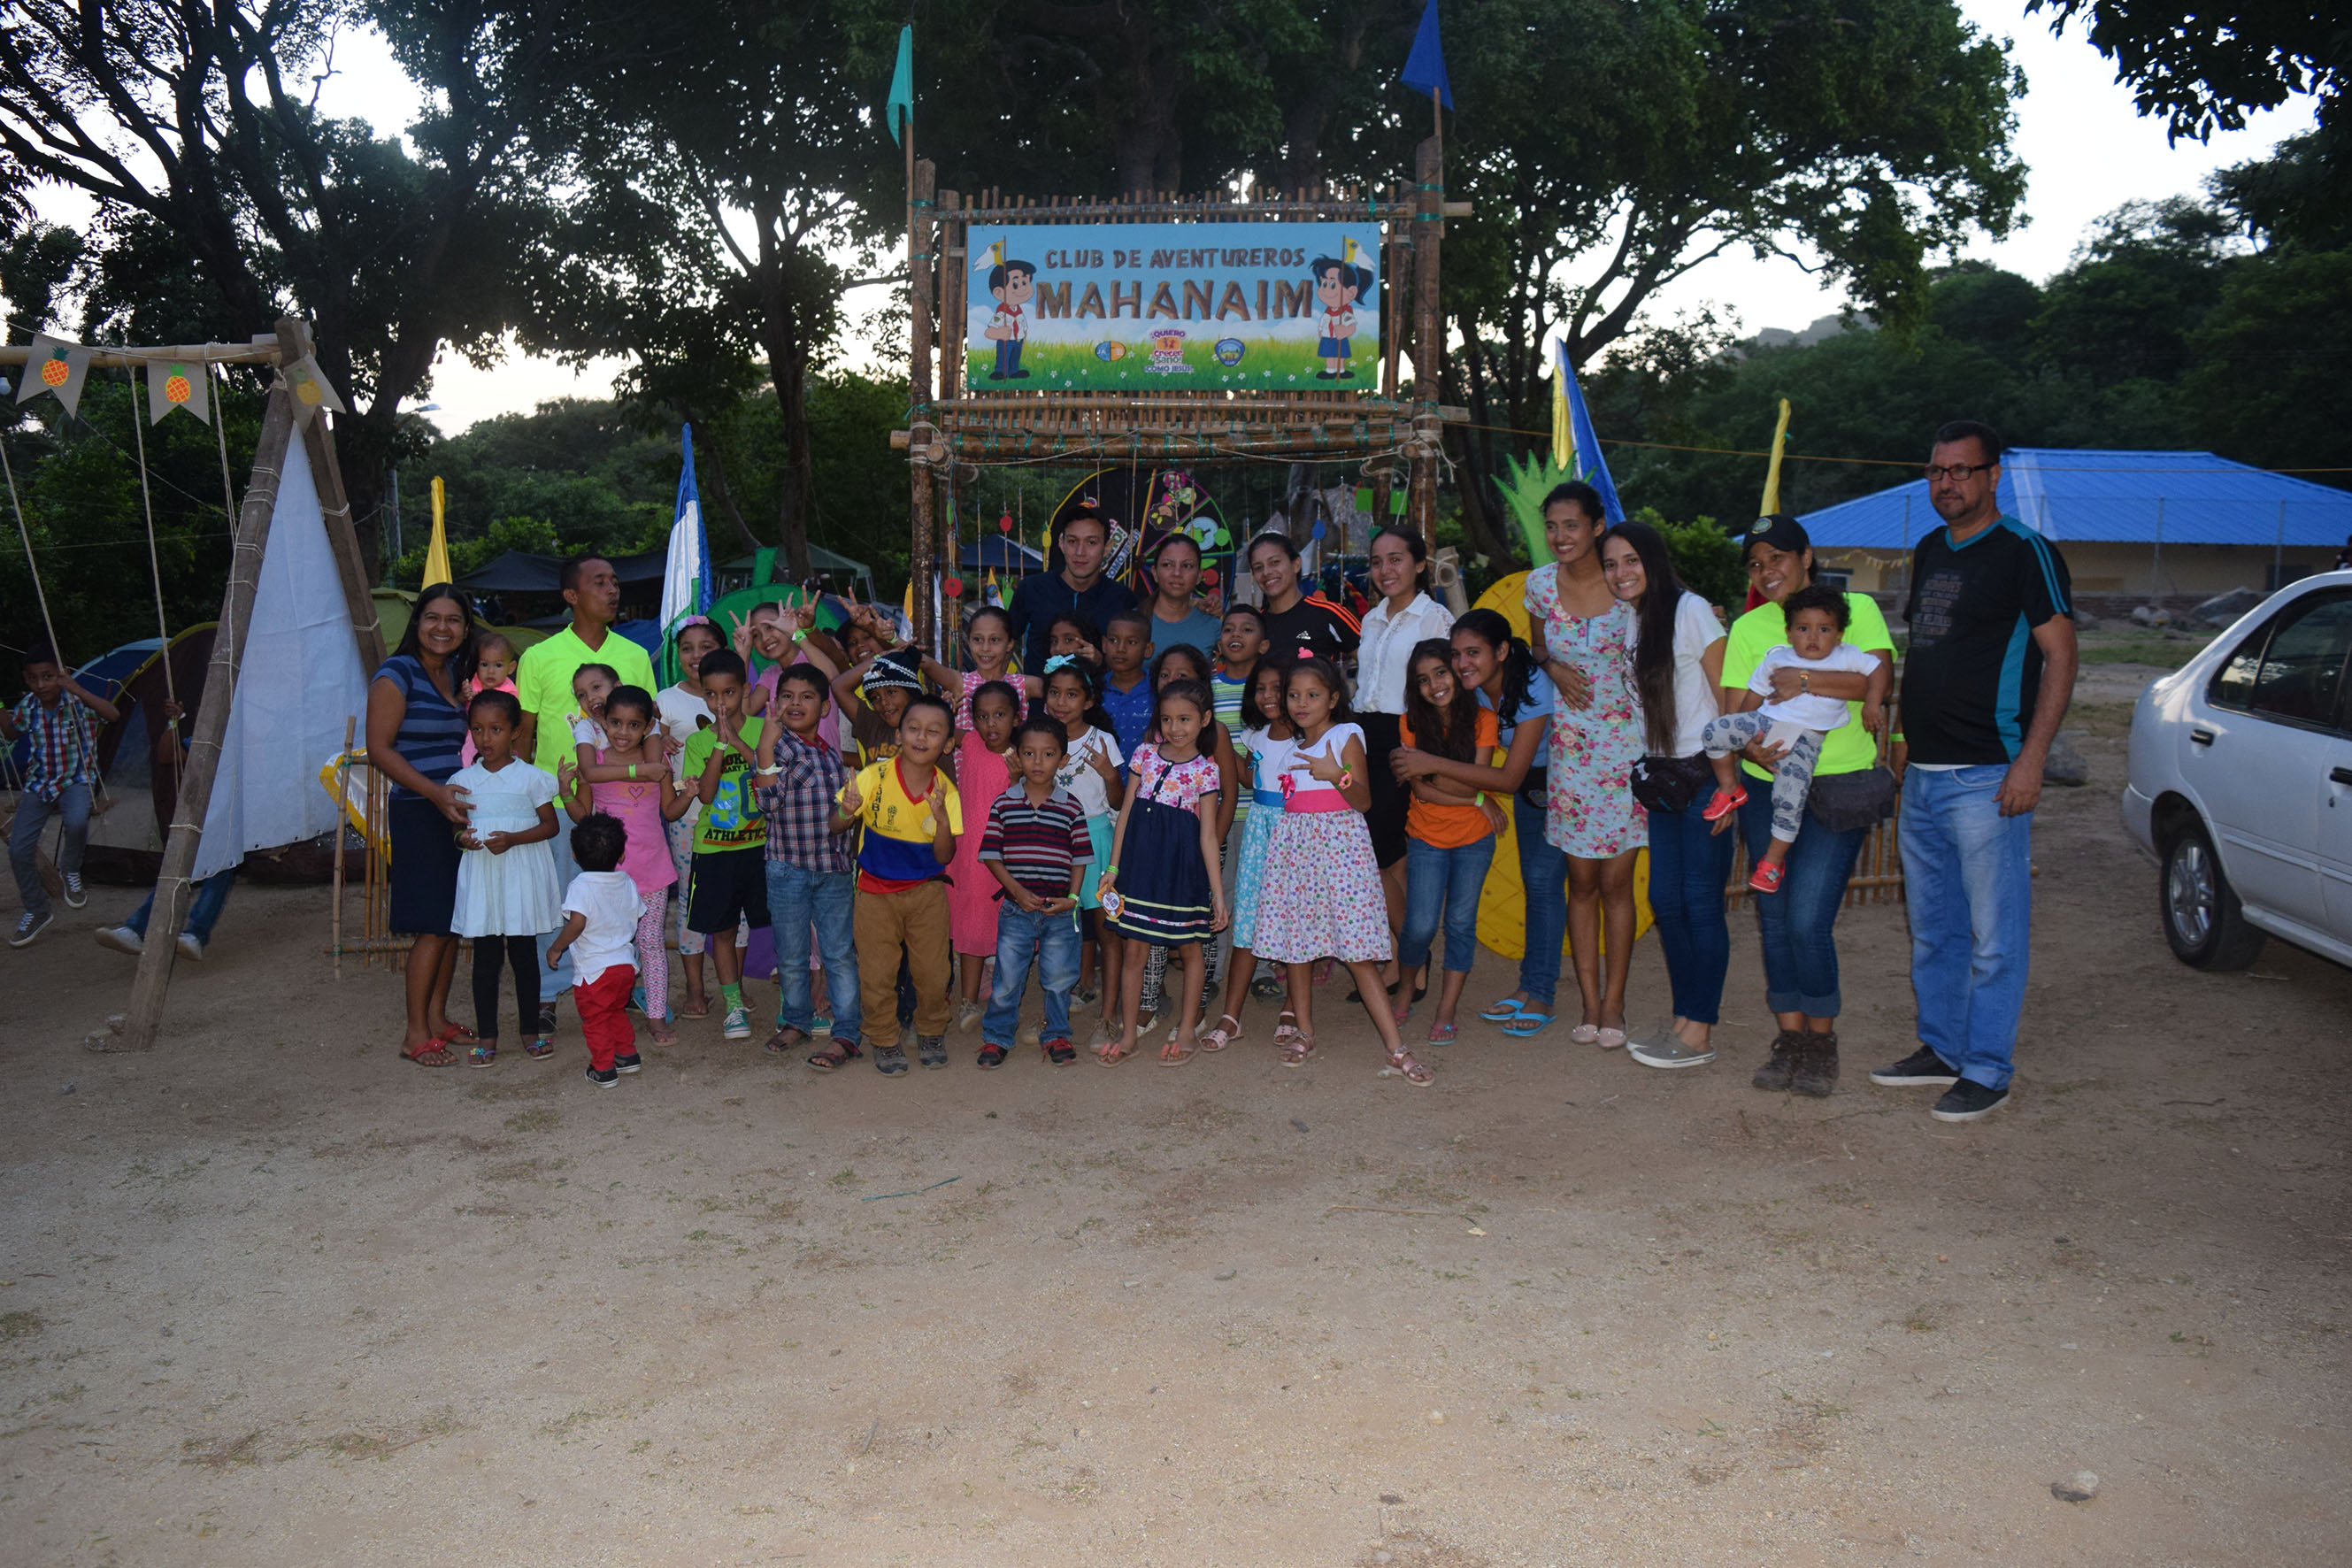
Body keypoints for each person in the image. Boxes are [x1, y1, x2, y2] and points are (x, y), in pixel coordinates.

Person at [1872, 419, 2077, 1123]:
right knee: (1934, 928)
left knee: (1994, 937)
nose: (1946, 483)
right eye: (1936, 471)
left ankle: (1987, 1068)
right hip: (1926, 776)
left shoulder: (2025, 552)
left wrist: (2031, 759)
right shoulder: (1931, 549)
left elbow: (2061, 657)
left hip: (1987, 776)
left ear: (1993, 476)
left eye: (1961, 470)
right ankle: (1943, 1047)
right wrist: (1905, 737)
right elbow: (1926, 651)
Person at [1721, 512, 1897, 1099]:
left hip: (1839, 785)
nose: (1767, 571)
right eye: (1756, 563)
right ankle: (1789, 1037)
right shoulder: (1749, 627)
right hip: (1766, 784)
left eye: (1778, 557)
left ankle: (1821, 1041)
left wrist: (1798, 681)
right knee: (1774, 920)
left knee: (1807, 919)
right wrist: (1750, 745)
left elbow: (1874, 683)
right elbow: (1736, 704)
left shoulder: (1856, 608)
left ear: (1806, 556)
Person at [1249, 657, 1425, 1083]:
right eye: (1294, 695)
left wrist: (1335, 775)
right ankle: (1305, 1032)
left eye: (1312, 695)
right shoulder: (1289, 746)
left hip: (1342, 855)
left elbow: (1363, 801)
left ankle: (1396, 1047)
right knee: (1298, 949)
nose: (1301, 703)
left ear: (1332, 699)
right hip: (1296, 855)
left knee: (1358, 953)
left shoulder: (1346, 735)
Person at [1601, 521, 1733, 1072]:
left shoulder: (1691, 611)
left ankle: (1699, 1031)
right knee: (1666, 901)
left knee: (1700, 903)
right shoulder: (1633, 619)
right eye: (1611, 564)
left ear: (1653, 560)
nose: (1620, 573)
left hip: (1704, 774)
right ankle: (1685, 1018)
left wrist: (1729, 782)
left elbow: (1727, 697)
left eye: (1631, 560)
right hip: (1661, 779)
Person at [1392, 611, 1555, 1033]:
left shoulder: (1522, 691)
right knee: (1423, 924)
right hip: (1471, 814)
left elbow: (1502, 778)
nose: (1462, 664)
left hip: (1563, 782)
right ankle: (1528, 987)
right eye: (1457, 654)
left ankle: (1533, 992)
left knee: (1538, 891)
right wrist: (1475, 795)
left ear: (1500, 652)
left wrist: (1429, 765)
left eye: (1472, 653)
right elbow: (1430, 784)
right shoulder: (1471, 693)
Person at [515, 554, 657, 1034]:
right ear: (571, 596)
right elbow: (524, 732)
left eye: (615, 581)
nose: (612, 590)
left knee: (620, 897)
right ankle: (549, 993)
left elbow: (650, 725)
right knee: (557, 897)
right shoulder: (539, 657)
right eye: (600, 582)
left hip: (622, 805)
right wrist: (523, 796)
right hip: (561, 802)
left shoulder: (634, 655)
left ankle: (622, 983)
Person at [1526, 481, 1646, 1049]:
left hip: (1628, 751)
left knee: (1616, 883)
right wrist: (1552, 667)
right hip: (1572, 755)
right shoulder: (1539, 586)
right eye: (1552, 526)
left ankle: (1615, 1003)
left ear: (1597, 526)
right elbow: (1537, 649)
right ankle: (1589, 1003)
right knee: (1580, 883)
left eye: (1571, 525)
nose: (1560, 536)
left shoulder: (1629, 584)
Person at [1702, 584, 1889, 893]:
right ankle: (1729, 789)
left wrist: (1872, 703)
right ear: (1789, 633)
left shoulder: (1847, 656)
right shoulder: (1777, 659)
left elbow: (1878, 672)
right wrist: (1744, 734)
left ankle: (1772, 862)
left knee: (1789, 799)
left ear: (1839, 635)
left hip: (1804, 741)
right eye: (1803, 629)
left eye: (1824, 629)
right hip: (1766, 723)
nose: (1813, 637)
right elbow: (1753, 696)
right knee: (1714, 731)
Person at [365, 585, 480, 1064]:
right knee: (432, 925)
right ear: (417, 623)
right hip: (418, 808)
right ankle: (415, 1034)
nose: (442, 627)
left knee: (449, 921)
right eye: (432, 617)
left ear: (465, 630)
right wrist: (434, 793)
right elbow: (379, 749)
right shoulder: (397, 673)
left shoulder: (452, 674)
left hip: (450, 811)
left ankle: (437, 1018)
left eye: (453, 620)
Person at [1095, 679, 1228, 1065]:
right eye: (1167, 719)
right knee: (1134, 950)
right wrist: (1113, 868)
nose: (1175, 728)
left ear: (1205, 719)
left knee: (1190, 948)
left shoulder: (1207, 771)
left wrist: (1218, 894)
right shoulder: (1144, 755)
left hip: (1182, 872)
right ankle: (1129, 1035)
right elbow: (1125, 815)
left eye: (1185, 719)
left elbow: (1208, 835)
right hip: (1139, 867)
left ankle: (1187, 1031)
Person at [835, 694, 962, 1076]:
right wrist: (847, 811)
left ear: (947, 744)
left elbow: (945, 855)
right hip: (874, 893)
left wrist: (942, 821)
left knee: (933, 972)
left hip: (926, 893)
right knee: (877, 973)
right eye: (913, 729)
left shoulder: (946, 792)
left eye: (933, 732)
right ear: (898, 734)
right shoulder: (873, 777)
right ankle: (884, 1037)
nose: (921, 738)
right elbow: (835, 824)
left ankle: (931, 1030)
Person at [1353, 527, 1456, 989]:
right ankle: (1402, 957)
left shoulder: (1434, 618)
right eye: (1377, 562)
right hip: (1364, 735)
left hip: (1404, 737)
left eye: (1396, 559)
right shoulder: (1371, 618)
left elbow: (1443, 689)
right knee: (1388, 855)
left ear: (1419, 564)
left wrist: (1428, 750)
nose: (1385, 570)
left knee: (1377, 851)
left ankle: (1413, 955)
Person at [562, 685, 688, 1047]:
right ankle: (609, 1010)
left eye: (634, 725)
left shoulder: (658, 765)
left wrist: (690, 794)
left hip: (652, 871)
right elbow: (582, 816)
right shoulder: (596, 765)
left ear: (647, 727)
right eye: (616, 722)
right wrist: (566, 791)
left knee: (650, 944)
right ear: (603, 721)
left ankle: (656, 1017)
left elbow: (669, 811)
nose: (623, 732)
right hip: (609, 878)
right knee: (609, 947)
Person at [752, 662, 864, 1067]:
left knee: (839, 953)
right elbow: (767, 804)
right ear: (775, 703)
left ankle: (847, 1031)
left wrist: (849, 812)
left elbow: (839, 819)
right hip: (787, 868)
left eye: (807, 697)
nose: (795, 703)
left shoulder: (831, 755)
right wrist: (765, 748)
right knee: (792, 954)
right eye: (787, 696)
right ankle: (796, 1020)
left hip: (833, 869)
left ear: (825, 707)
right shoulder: (777, 747)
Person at [1395, 640, 1506, 1044]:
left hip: (1474, 838)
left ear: (1457, 672)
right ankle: (1406, 987)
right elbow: (1423, 791)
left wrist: (1438, 774)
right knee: (1420, 925)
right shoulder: (1409, 722)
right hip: (1426, 835)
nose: (1435, 685)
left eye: (1441, 673)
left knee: (1460, 923)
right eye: (1423, 680)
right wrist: (1478, 798)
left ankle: (1447, 1008)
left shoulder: (1483, 719)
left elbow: (1473, 777)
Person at [449, 688, 564, 1066]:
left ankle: (530, 1031)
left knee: (524, 955)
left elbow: (550, 826)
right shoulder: (463, 780)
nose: (486, 738)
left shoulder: (531, 778)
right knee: (485, 958)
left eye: (496, 729)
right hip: (484, 876)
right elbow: (456, 829)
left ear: (515, 732)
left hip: (520, 875)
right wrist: (462, 839)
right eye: (478, 729)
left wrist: (513, 839)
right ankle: (487, 1036)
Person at [978, 715, 1094, 1068]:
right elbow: (991, 854)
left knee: (1059, 978)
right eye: (1029, 753)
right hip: (1017, 909)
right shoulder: (1004, 803)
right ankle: (997, 1037)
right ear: (1018, 756)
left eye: (1048, 754)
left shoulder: (1071, 806)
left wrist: (1072, 900)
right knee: (1007, 978)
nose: (1038, 762)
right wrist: (1015, 890)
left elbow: (1080, 858)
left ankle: (1057, 1033)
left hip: (1059, 911)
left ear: (1062, 759)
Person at [94, 698, 234, 962]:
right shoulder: (208, 741)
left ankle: (186, 933)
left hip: (235, 821)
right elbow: (166, 755)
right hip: (208, 816)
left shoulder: (259, 743)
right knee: (184, 864)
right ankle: (144, 930)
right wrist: (174, 723)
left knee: (219, 865)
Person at [1203, 660, 1296, 1051]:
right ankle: (1231, 1015)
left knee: (1296, 920)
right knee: (1247, 919)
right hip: (1259, 830)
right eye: (1260, 689)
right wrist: (1221, 745)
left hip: (1296, 832)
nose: (1269, 696)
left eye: (1278, 688)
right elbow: (1248, 778)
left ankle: (1293, 1008)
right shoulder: (1255, 736)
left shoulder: (1310, 737)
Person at [680, 649, 769, 1041]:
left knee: (777, 922)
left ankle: (797, 1001)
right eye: (712, 695)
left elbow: (768, 776)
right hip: (714, 851)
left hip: (761, 847)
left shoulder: (764, 730)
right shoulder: (698, 742)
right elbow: (706, 795)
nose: (720, 703)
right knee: (723, 930)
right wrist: (719, 745)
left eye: (729, 693)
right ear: (703, 695)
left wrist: (736, 740)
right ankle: (733, 1005)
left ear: (745, 690)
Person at [656, 617, 741, 1020]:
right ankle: (695, 988)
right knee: (691, 900)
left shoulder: (737, 695)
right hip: (688, 817)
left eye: (706, 646)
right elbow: (646, 744)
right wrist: (658, 740)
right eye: (687, 648)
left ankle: (734, 989)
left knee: (736, 900)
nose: (695, 655)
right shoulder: (665, 700)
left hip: (737, 818)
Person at [5, 643, 118, 945]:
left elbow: (113, 715)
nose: (41, 685)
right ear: (26, 680)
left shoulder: (77, 701)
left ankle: (70, 869)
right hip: (39, 783)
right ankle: (37, 910)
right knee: (17, 850)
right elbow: (12, 732)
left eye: (48, 676)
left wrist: (76, 688)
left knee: (77, 821)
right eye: (33, 679)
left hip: (76, 780)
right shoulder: (29, 706)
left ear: (62, 674)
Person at [1043, 657, 1126, 1043]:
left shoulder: (1103, 741)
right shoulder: (1041, 737)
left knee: (1106, 929)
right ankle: (1055, 1014)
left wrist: (1110, 775)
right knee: (1059, 930)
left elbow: (1118, 801)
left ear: (1089, 701)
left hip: (1095, 838)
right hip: (1052, 840)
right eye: (1054, 692)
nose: (1061, 702)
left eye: (1072, 694)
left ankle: (1107, 1016)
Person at [546, 811, 643, 1088]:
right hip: (625, 966)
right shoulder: (627, 882)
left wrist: (556, 948)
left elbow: (577, 922)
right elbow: (636, 914)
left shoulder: (581, 886)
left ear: (575, 855)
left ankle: (603, 1069)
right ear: (621, 854)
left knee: (595, 1019)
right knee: (615, 1011)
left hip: (594, 971)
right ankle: (627, 1055)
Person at [948, 680, 1020, 1031]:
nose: (991, 724)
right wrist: (946, 711)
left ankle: (1005, 999)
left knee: (1007, 928)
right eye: (982, 716)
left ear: (1017, 718)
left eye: (1000, 715)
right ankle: (968, 1000)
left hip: (1006, 856)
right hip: (969, 855)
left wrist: (1018, 778)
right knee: (971, 926)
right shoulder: (972, 742)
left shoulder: (1021, 756)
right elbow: (943, 731)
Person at [1008, 509, 1139, 677]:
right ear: (1061, 543)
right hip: (1038, 693)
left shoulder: (1122, 599)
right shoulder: (1031, 589)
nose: (1080, 552)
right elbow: (1004, 644)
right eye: (1072, 541)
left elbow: (1133, 662)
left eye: (1091, 542)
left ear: (1107, 547)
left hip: (1099, 694)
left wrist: (1102, 662)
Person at [1245, 532, 1360, 665]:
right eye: (1258, 567)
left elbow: (1374, 659)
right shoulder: (1255, 626)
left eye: (1274, 562)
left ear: (1296, 565)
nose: (1266, 572)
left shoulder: (1329, 614)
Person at [1142, 534, 1224, 657]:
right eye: (1168, 565)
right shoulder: (1133, 624)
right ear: (1154, 573)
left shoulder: (1213, 627)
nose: (1177, 573)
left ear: (1199, 575)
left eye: (1187, 566)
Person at [1097, 610, 1157, 759]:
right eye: (1113, 640)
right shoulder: (1094, 689)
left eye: (1131, 642)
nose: (1120, 649)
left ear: (1148, 650)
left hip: (1148, 772)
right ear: (1104, 644)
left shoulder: (1158, 688)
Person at [457, 632, 519, 767]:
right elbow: (458, 705)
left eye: (498, 665)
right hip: (469, 733)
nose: (491, 671)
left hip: (495, 737)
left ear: (511, 668)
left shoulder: (509, 691)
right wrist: (463, 696)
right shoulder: (472, 683)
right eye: (484, 665)